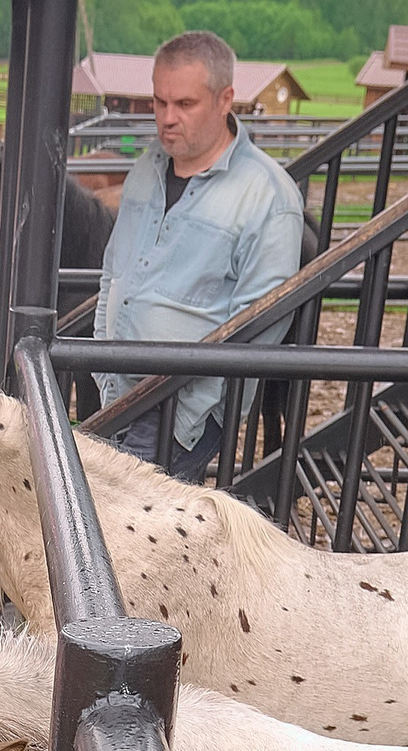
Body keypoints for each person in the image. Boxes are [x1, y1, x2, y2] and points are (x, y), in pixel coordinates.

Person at [93, 30, 304, 483]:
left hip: (180, 411)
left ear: (225, 99)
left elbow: (258, 329)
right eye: (159, 102)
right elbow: (114, 272)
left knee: (123, 533)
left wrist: (190, 415)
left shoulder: (267, 197)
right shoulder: (146, 169)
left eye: (184, 105)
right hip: (117, 392)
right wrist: (101, 365)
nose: (167, 119)